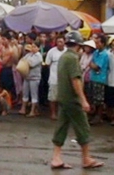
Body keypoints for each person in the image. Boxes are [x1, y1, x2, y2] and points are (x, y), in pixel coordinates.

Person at [50, 31, 104, 170]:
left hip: (63, 97)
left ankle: (56, 158)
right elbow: (75, 80)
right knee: (83, 127)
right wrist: (83, 100)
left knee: (61, 126)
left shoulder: (64, 57)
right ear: (79, 44)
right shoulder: (73, 58)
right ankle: (86, 158)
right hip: (72, 99)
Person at [88, 34, 109, 125]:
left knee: (99, 99)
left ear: (103, 43)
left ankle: (98, 116)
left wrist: (92, 65)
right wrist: (92, 65)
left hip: (100, 79)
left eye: (98, 42)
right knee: (93, 97)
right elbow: (91, 63)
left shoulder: (105, 54)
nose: (96, 44)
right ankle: (94, 114)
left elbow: (96, 66)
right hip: (93, 77)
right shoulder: (96, 52)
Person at [19, 43, 43, 117]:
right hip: (27, 76)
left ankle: (33, 111)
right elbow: (22, 60)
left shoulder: (39, 56)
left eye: (35, 47)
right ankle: (23, 109)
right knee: (25, 93)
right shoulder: (29, 54)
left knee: (34, 94)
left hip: (34, 77)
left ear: (38, 48)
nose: (33, 48)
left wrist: (26, 62)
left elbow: (31, 64)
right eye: (32, 47)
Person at [45, 37, 66, 120]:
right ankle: (53, 113)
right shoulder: (51, 51)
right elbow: (47, 64)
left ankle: (61, 113)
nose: (59, 43)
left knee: (63, 98)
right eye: (58, 42)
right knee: (52, 97)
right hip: (53, 77)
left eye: (61, 41)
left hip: (64, 78)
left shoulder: (67, 51)